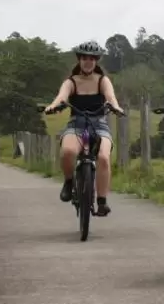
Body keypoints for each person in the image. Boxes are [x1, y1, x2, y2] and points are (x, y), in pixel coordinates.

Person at [44, 40, 125, 216]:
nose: (88, 61)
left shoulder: (102, 80)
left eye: (92, 58)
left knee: (103, 157)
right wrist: (52, 106)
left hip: (99, 125)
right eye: (84, 58)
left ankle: (102, 201)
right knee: (67, 151)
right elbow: (61, 97)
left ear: (96, 61)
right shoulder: (71, 81)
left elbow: (111, 97)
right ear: (79, 59)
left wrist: (116, 107)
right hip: (77, 124)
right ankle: (68, 181)